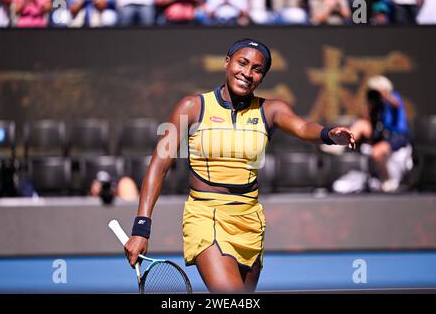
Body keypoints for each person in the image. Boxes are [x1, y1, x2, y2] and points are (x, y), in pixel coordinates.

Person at [123, 38, 355, 293]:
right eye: (242, 63)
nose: (247, 73)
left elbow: (302, 127)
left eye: (257, 69)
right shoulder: (191, 107)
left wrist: (328, 133)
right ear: (227, 62)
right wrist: (141, 228)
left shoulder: (271, 109)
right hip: (206, 216)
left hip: (249, 220)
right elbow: (160, 165)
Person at [344, 75, 412, 193]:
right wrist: (369, 109)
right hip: (381, 134)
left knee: (377, 152)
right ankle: (338, 143)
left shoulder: (394, 97)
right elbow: (370, 121)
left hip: (397, 135)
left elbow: (395, 104)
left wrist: (384, 95)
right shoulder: (375, 103)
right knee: (360, 124)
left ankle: (387, 181)